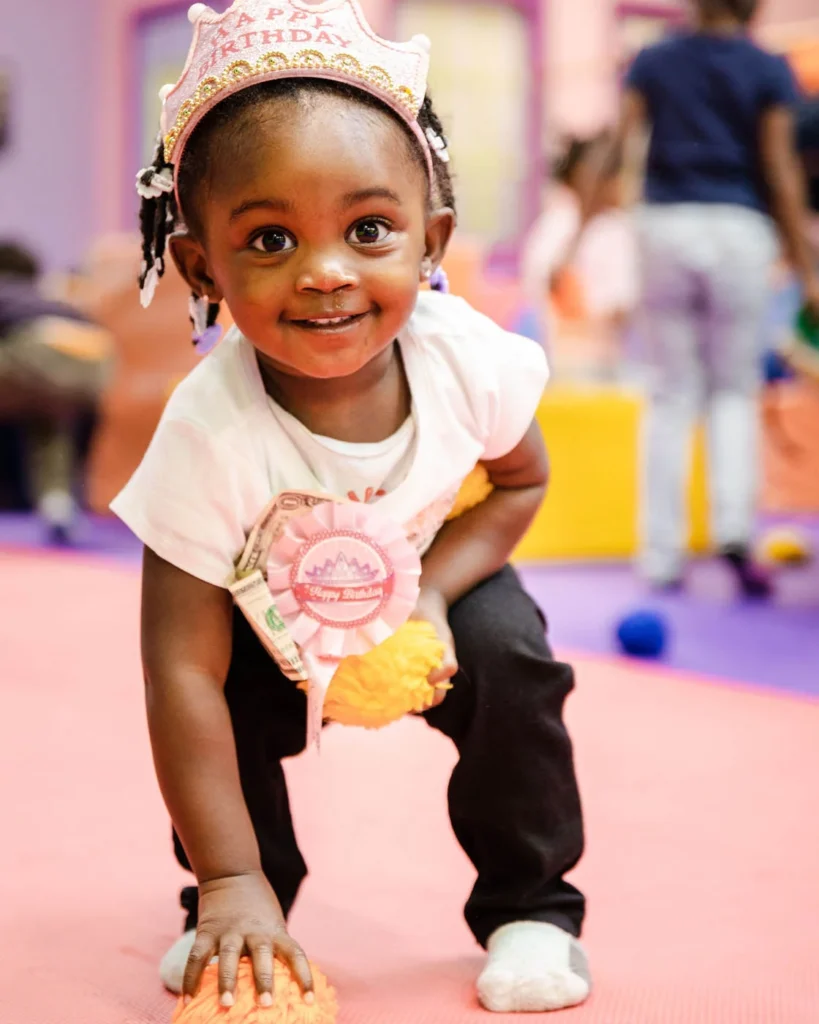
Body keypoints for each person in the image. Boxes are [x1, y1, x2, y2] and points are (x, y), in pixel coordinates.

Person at [110, 0, 589, 1014]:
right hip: (266, 616)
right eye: (270, 237)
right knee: (229, 700)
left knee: (513, 661)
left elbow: (522, 482)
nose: (325, 272)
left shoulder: (468, 361)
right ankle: (243, 899)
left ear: (430, 240)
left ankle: (531, 907)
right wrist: (229, 876)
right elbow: (180, 669)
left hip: (431, 576)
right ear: (202, 266)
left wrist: (433, 593)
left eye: (369, 229)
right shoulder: (209, 433)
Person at [583, 0, 819, 594]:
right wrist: (807, 266)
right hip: (739, 229)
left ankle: (660, 556)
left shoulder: (654, 59)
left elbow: (618, 144)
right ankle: (734, 531)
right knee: (733, 390)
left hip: (665, 226)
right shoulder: (767, 68)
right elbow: (778, 167)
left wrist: (580, 226)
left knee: (668, 393)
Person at [0, 242, 111, 541]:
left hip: (38, 353)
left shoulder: (5, 288)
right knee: (48, 416)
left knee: (35, 391)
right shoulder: (47, 297)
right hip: (98, 362)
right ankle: (57, 504)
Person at [521, 133, 639, 381]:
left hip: (604, 363)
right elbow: (549, 286)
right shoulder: (559, 223)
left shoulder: (614, 227)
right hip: (569, 361)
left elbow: (624, 306)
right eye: (615, 176)